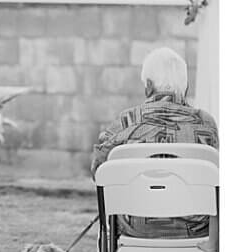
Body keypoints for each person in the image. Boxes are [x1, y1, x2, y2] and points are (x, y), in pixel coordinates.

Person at [90, 45, 218, 239]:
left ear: (148, 86)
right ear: (186, 87)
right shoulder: (206, 123)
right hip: (196, 228)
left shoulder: (127, 121)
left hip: (135, 226)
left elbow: (98, 172)